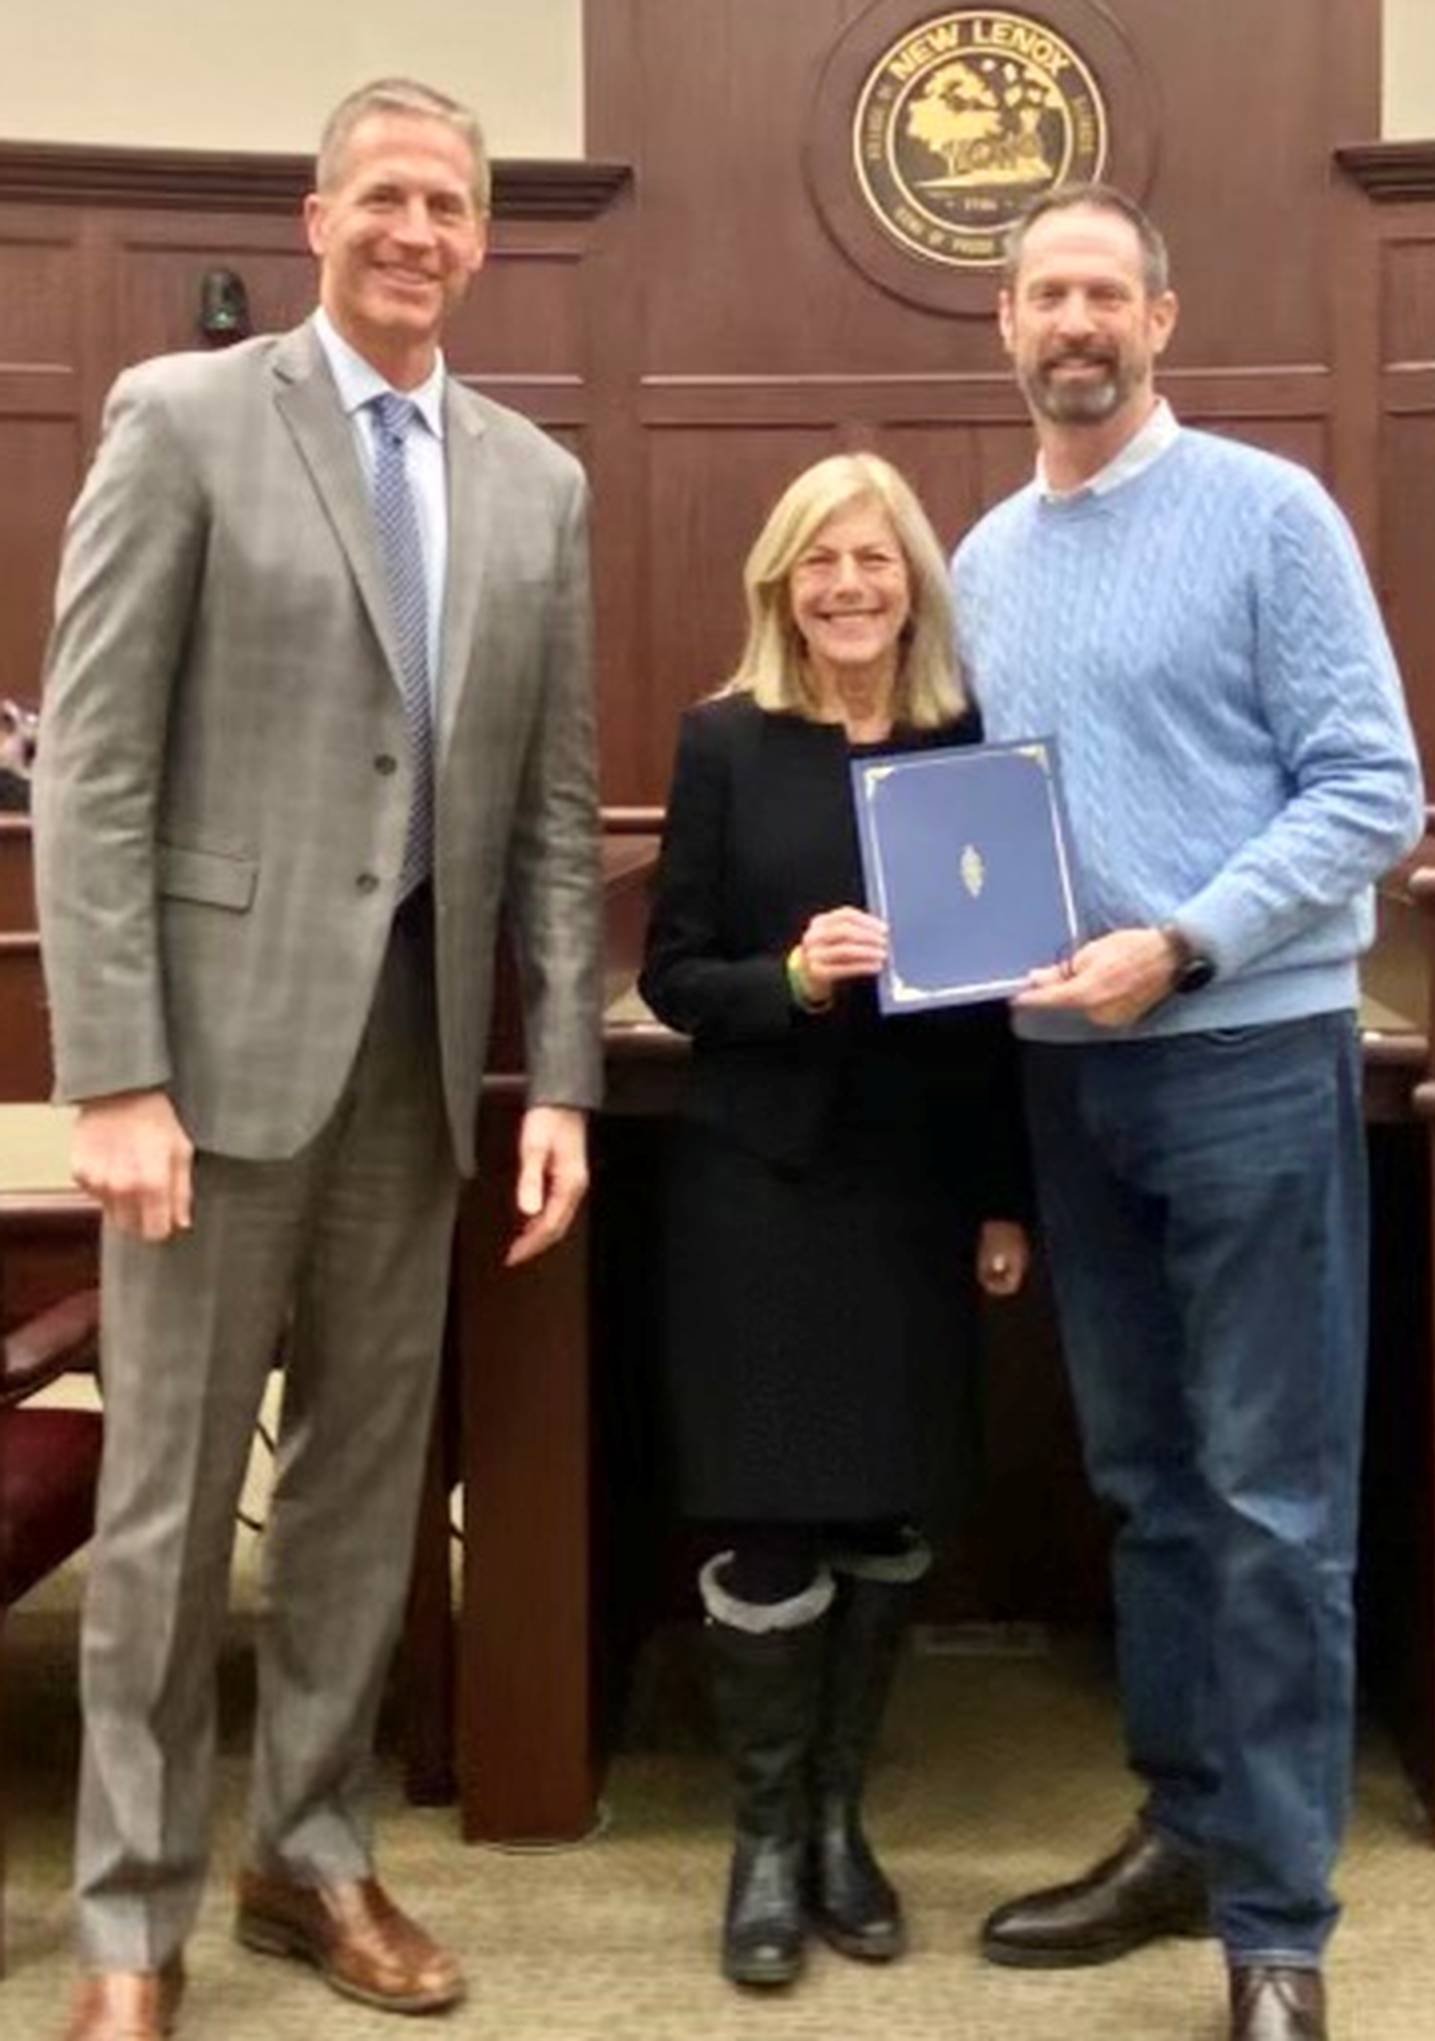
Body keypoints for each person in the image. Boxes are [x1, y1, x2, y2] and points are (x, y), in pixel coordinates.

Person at [33, 76, 600, 2041]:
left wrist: (564, 1093)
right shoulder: (184, 421)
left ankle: (313, 1846)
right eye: (385, 193)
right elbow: (92, 772)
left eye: (449, 201)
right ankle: (129, 1912)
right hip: (206, 1067)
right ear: (316, 213)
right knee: (170, 1510)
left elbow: (551, 810)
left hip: (420, 1064)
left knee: (366, 1491)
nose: (416, 228)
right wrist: (114, 1073)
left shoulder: (536, 480)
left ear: (481, 239)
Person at [950, 183, 1423, 2041]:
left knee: (1272, 1500)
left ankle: (1281, 1925)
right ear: (1007, 327)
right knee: (1147, 1482)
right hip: (1073, 1078)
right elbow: (982, 829)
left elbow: (1374, 785)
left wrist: (1189, 943)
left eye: (1104, 291)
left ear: (1163, 313)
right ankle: (1187, 1825)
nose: (1074, 320)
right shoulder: (983, 557)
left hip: (1242, 1053)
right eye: (1043, 293)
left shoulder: (1264, 513)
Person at [640, 452, 1031, 1990]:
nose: (851, 585)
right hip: (762, 1181)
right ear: (781, 585)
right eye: (822, 563)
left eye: (875, 559)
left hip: (918, 1186)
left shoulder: (969, 740)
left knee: (886, 1507)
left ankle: (838, 1819)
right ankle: (761, 1837)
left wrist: (1003, 1194)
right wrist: (793, 980)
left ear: (911, 580)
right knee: (768, 1507)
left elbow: (1000, 1000)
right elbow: (676, 973)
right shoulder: (728, 741)